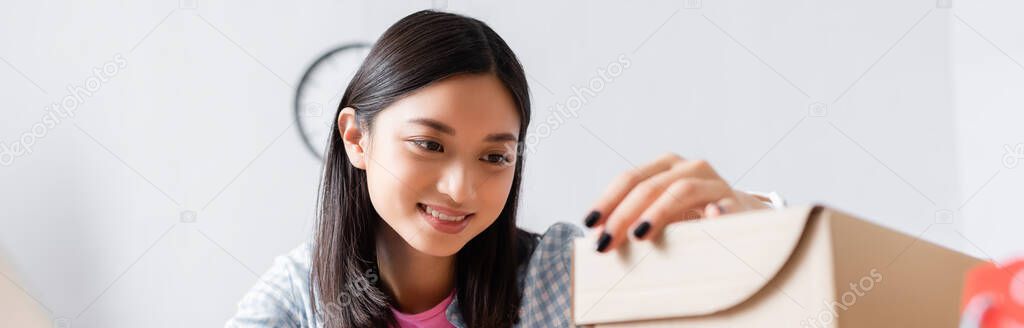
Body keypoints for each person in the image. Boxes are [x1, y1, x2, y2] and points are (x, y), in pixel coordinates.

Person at [226, 10, 784, 328]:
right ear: (356, 139)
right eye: (428, 144)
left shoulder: (557, 277)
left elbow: (780, 311)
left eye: (495, 157)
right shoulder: (300, 297)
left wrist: (752, 232)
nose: (461, 188)